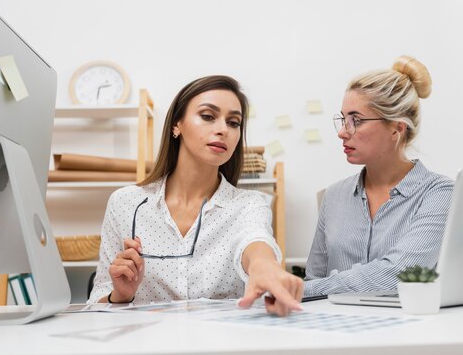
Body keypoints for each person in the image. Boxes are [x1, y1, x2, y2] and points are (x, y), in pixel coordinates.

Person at [88, 75, 303, 316]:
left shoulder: (249, 205)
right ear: (176, 125)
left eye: (234, 122)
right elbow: (97, 300)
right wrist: (120, 295)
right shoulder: (125, 203)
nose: (223, 130)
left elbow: (254, 241)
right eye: (208, 116)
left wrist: (264, 266)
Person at [304, 56, 454, 297]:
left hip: (410, 332)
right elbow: (314, 280)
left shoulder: (440, 194)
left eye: (357, 121)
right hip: (337, 330)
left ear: (396, 128)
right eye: (343, 120)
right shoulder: (333, 197)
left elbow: (397, 274)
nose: (342, 132)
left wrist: (298, 289)